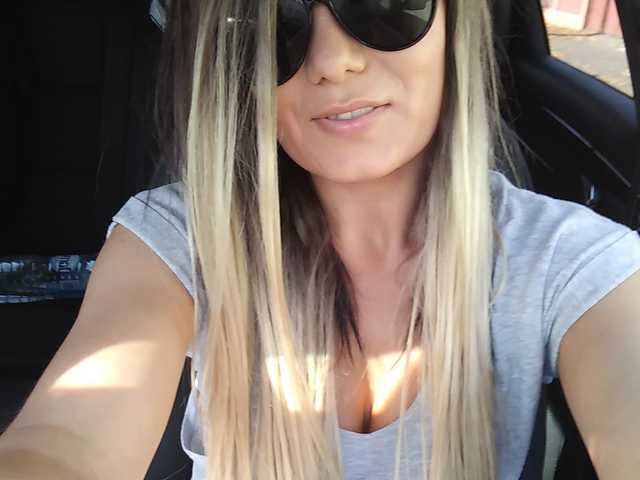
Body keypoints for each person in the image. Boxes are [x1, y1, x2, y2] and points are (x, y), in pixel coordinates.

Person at [1, 0, 639, 479]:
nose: (334, 61)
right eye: (276, 18)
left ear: (454, 23)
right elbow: (65, 441)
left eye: (382, 4)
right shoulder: (173, 241)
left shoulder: (570, 259)